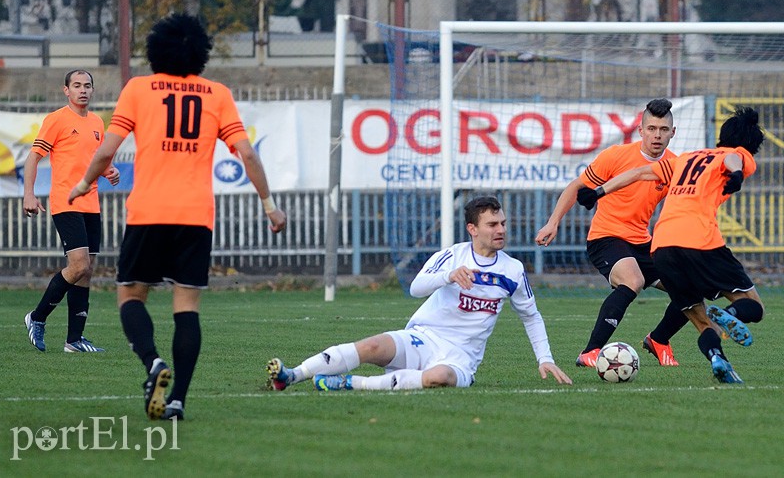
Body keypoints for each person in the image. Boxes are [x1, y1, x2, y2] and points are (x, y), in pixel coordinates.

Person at [68, 13, 287, 420]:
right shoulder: (216, 94)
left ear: (155, 50)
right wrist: (269, 204)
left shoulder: (139, 89)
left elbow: (105, 152)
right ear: (200, 52)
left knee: (131, 295)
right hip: (195, 216)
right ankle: (178, 400)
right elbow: (249, 154)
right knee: (186, 307)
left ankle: (153, 363)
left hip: (149, 211)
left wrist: (83, 186)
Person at [267, 196, 572, 392]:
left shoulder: (513, 270)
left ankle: (350, 384)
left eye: (503, 223)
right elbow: (416, 288)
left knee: (438, 378)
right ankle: (292, 375)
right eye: (492, 224)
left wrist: (544, 359)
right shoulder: (452, 256)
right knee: (371, 346)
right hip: (424, 336)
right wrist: (447, 277)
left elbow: (531, 316)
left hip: (461, 357)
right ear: (472, 229)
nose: (500, 229)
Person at [579, 106, 765, 383]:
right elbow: (732, 159)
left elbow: (641, 173)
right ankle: (730, 313)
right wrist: (736, 175)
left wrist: (598, 191)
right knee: (755, 307)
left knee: (698, 316)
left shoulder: (687, 158)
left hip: (662, 245)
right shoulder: (738, 155)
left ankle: (717, 358)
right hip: (701, 241)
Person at [535, 98, 689, 368]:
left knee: (690, 287)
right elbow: (576, 187)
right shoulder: (615, 156)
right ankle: (590, 352)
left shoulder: (675, 166)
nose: (657, 135)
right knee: (633, 279)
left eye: (663, 129)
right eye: (651, 128)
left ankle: (659, 339)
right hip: (606, 237)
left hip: (643, 243)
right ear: (640, 131)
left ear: (672, 133)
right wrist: (553, 222)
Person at [23, 69, 120, 353]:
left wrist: (108, 171)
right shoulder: (56, 120)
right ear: (66, 90)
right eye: (76, 85)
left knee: (86, 272)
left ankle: (74, 340)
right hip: (66, 202)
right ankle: (37, 317)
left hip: (91, 203)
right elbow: (33, 158)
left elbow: (95, 161)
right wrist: (29, 193)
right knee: (79, 266)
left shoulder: (96, 123)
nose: (83, 90)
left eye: (87, 85)